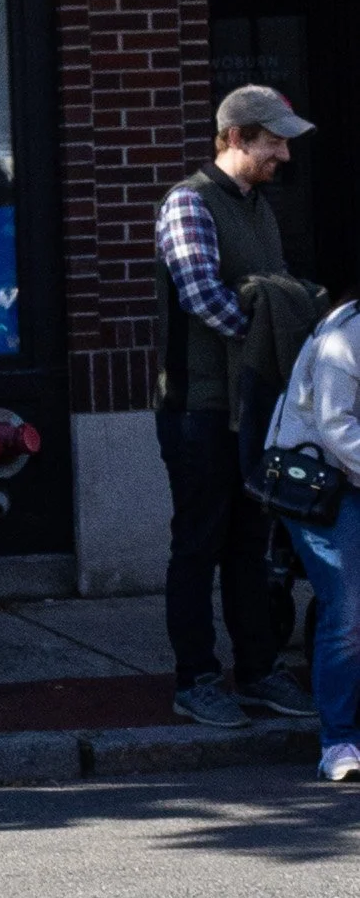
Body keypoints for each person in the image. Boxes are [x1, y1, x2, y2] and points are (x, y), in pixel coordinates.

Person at [154, 85, 320, 731]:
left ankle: (257, 670)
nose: (283, 152)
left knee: (250, 544)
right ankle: (195, 679)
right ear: (235, 138)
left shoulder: (260, 208)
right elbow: (208, 301)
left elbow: (262, 294)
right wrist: (275, 323)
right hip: (197, 408)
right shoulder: (189, 203)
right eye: (273, 139)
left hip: (250, 404)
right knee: (197, 543)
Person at [263, 300, 360, 783]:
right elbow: (335, 426)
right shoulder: (346, 338)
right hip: (323, 479)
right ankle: (339, 740)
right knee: (347, 608)